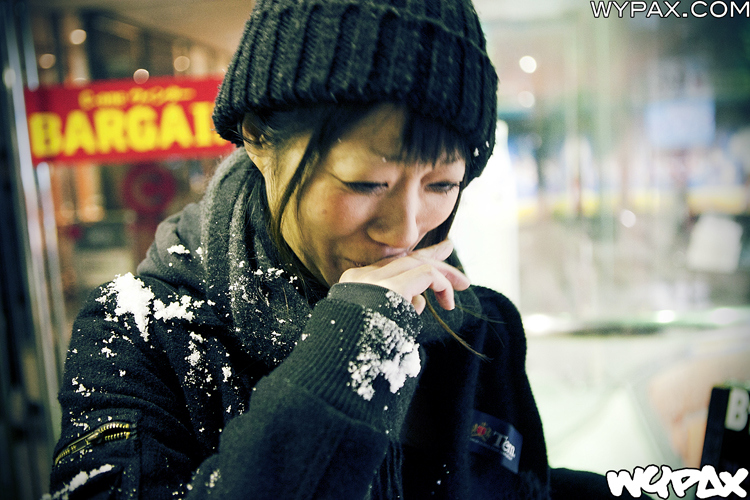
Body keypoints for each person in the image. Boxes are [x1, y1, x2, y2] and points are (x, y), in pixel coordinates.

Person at [48, 1, 629, 499]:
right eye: (365, 182)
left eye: (441, 185)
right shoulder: (138, 332)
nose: (405, 230)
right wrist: (352, 354)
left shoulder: (479, 326)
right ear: (259, 138)